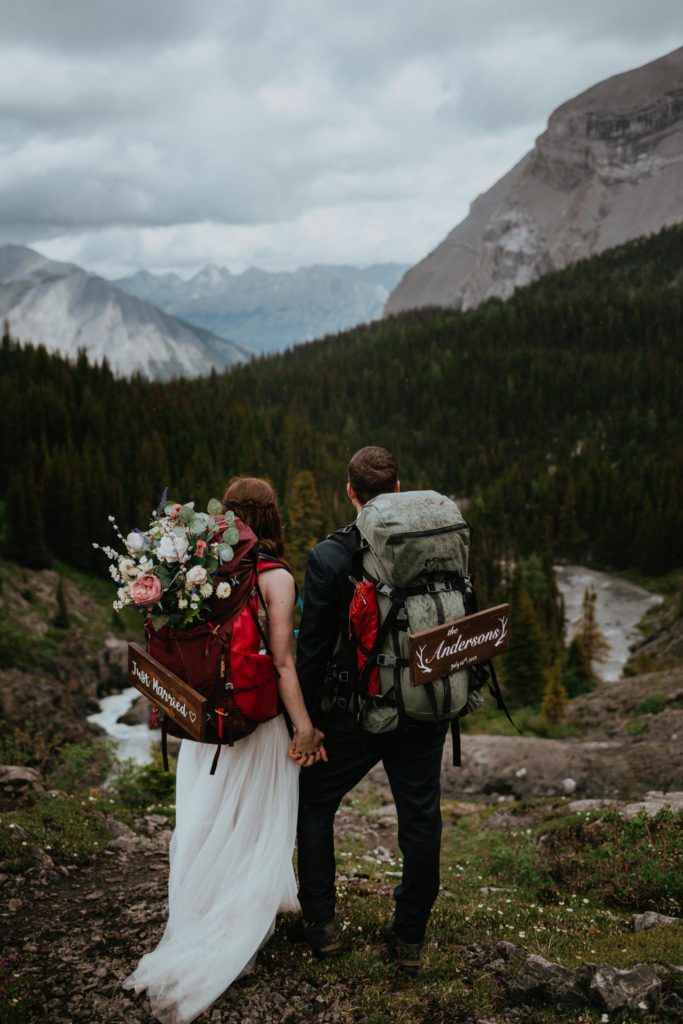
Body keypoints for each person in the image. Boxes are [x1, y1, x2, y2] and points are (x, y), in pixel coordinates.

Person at [124, 477, 326, 1024]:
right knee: (254, 819)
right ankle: (237, 918)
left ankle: (197, 909)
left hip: (201, 722)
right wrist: (304, 728)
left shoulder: (190, 568)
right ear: (272, 517)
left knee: (207, 816)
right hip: (255, 722)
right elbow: (283, 663)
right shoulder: (274, 576)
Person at [293, 446, 448, 973]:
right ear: (399, 488)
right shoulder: (434, 542)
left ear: (350, 492)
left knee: (316, 800)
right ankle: (408, 936)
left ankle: (322, 926)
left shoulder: (330, 556)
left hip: (356, 711)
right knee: (421, 818)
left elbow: (311, 652)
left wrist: (305, 724)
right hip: (424, 706)